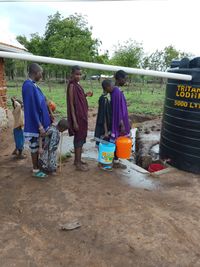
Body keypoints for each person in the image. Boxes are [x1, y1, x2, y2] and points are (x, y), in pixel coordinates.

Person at [22, 63, 51, 178]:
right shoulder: (28, 86)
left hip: (39, 121)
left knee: (38, 144)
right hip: (35, 123)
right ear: (36, 73)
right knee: (34, 146)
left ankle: (38, 166)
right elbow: (31, 108)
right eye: (41, 73)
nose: (42, 75)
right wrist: (40, 126)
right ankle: (35, 169)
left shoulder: (33, 85)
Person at [67, 65, 93, 171]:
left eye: (80, 74)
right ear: (72, 74)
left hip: (82, 117)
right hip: (77, 118)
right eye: (76, 74)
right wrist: (74, 121)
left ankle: (77, 160)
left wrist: (86, 95)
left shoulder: (77, 85)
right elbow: (72, 104)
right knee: (78, 139)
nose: (78, 76)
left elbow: (79, 98)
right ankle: (77, 164)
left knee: (81, 138)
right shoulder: (72, 86)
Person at [111, 70, 130, 168]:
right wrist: (121, 123)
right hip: (119, 120)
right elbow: (117, 109)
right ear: (119, 79)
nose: (126, 81)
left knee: (117, 139)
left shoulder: (116, 90)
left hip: (120, 119)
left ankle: (116, 160)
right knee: (117, 140)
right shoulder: (116, 91)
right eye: (125, 79)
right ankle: (116, 161)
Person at [94, 79, 113, 171]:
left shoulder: (105, 97)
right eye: (111, 86)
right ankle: (102, 164)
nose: (112, 87)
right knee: (103, 144)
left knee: (103, 144)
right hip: (102, 127)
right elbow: (104, 116)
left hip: (104, 126)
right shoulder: (104, 99)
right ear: (107, 87)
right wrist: (105, 131)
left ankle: (102, 163)